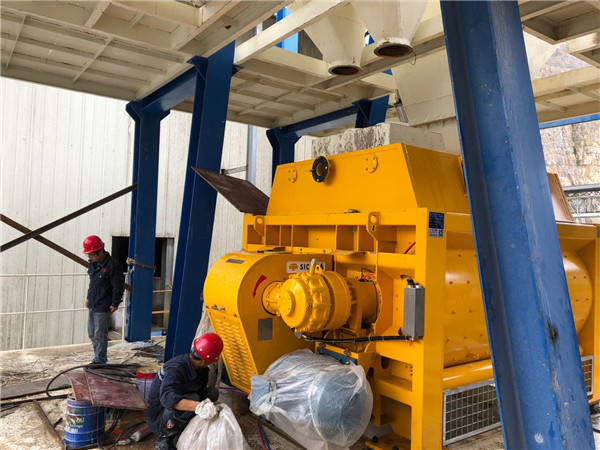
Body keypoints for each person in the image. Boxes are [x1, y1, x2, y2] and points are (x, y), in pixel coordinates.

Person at [144, 333, 224, 450]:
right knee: (193, 398)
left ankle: (187, 424)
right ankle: (165, 438)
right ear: (204, 361)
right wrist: (200, 406)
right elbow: (167, 399)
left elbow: (200, 391)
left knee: (212, 393)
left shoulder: (201, 370)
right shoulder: (175, 368)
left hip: (175, 408)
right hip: (158, 418)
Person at [83, 235, 125, 364]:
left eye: (91, 255)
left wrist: (115, 303)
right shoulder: (93, 264)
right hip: (93, 303)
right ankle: (97, 356)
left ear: (100, 252)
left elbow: (118, 286)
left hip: (103, 305)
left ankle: (100, 359)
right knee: (91, 333)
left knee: (100, 334)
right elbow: (92, 283)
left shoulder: (113, 266)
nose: (90, 258)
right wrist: (88, 297)